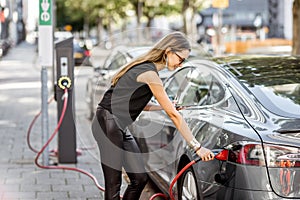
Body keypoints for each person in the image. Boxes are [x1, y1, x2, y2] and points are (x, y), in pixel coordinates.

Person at [91, 31, 215, 200]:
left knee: (139, 179)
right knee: (113, 187)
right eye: (181, 59)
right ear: (169, 51)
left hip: (118, 124)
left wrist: (163, 107)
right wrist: (197, 147)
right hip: (108, 122)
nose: (180, 64)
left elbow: (138, 104)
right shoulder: (150, 73)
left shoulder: (149, 70)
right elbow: (174, 116)